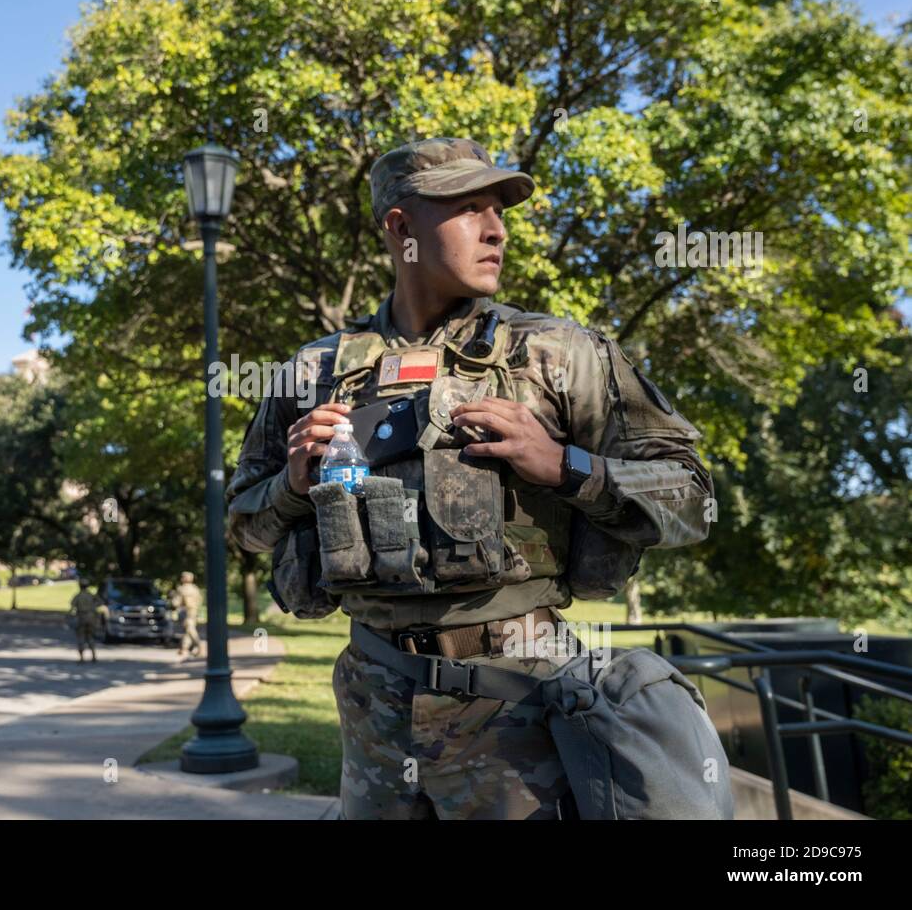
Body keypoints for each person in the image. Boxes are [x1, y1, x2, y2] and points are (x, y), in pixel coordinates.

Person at [224, 137, 715, 820]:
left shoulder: (559, 356)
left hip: (519, 713)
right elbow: (244, 526)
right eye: (469, 208)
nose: (497, 229)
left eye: (500, 210)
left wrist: (564, 466)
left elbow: (694, 498)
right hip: (374, 712)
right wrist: (290, 487)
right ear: (402, 229)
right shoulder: (312, 372)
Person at [167, 571, 203, 659]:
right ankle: (184, 648)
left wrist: (171, 600)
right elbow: (200, 600)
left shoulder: (182, 589)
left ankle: (199, 646)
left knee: (190, 630)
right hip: (194, 611)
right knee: (188, 630)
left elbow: (176, 602)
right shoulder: (195, 589)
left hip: (186, 611)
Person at [68, 578, 103, 662]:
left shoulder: (78, 596)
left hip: (81, 617)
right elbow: (100, 602)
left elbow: (72, 607)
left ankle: (82, 658)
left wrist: (69, 616)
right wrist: (93, 607)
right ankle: (93, 656)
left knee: (81, 637)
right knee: (90, 636)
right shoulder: (91, 595)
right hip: (91, 618)